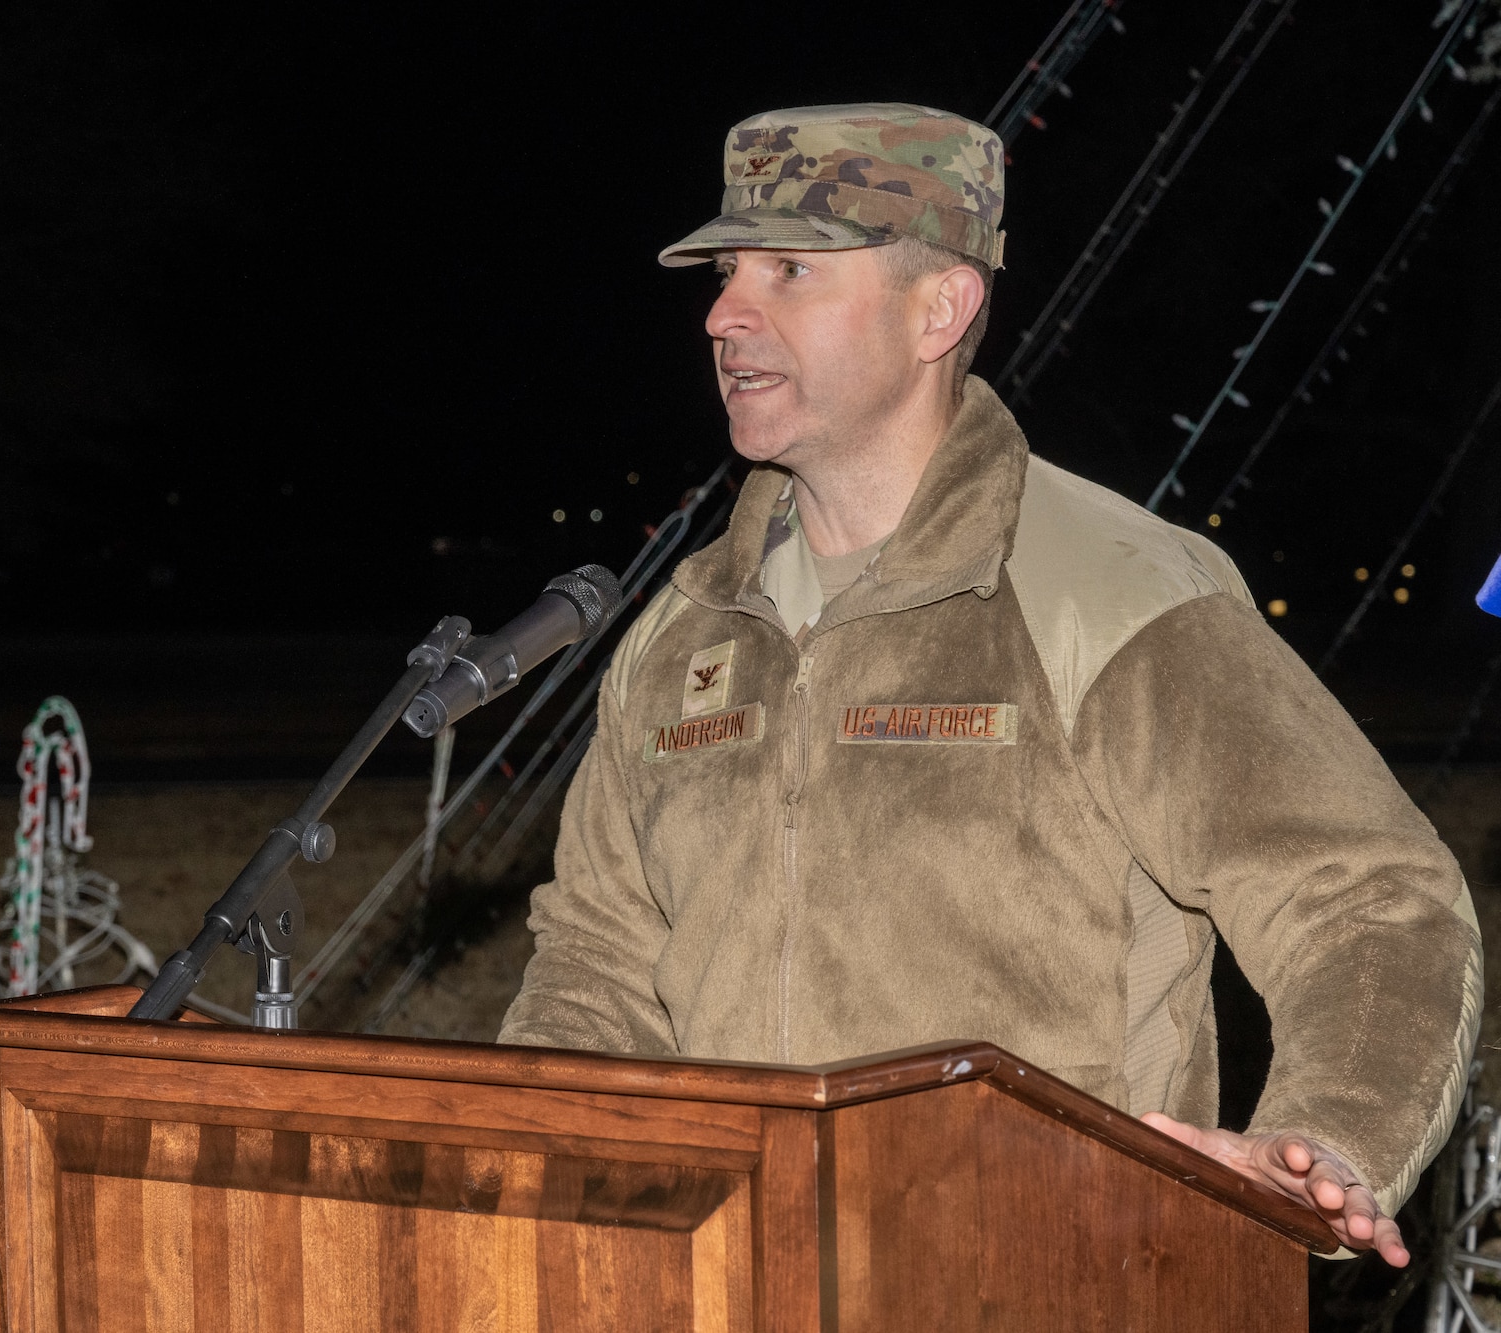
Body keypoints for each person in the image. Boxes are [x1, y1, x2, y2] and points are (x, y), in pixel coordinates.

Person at [495, 102, 1481, 1266]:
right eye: (724, 275)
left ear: (940, 308)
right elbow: (598, 959)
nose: (723, 315)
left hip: (1056, 1274)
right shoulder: (683, 635)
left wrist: (1329, 1139)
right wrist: (532, 1170)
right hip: (732, 1278)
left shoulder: (1109, 594)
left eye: (788, 270)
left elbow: (1365, 894)